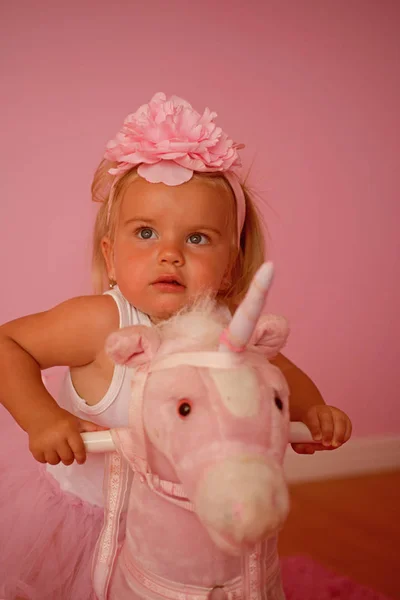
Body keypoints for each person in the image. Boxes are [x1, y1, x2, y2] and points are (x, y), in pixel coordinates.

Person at [0, 92, 352, 600]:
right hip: (91, 521)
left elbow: (279, 377)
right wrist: (42, 418)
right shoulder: (100, 321)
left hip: (176, 530)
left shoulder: (226, 333)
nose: (169, 254)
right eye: (145, 233)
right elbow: (8, 343)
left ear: (230, 263)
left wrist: (313, 412)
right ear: (112, 255)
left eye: (198, 239)